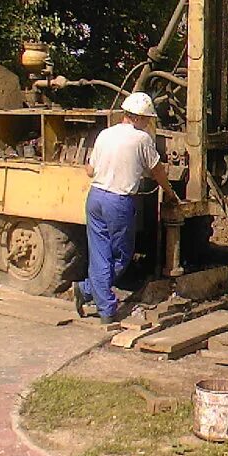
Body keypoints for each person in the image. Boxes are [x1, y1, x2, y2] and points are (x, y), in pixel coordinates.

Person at [74, 92, 179, 323]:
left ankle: (89, 292)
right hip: (118, 201)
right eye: (148, 119)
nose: (148, 123)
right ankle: (103, 306)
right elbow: (157, 170)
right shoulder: (142, 139)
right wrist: (170, 193)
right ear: (140, 118)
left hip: (95, 198)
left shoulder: (105, 134)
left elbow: (89, 171)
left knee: (100, 254)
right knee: (122, 255)